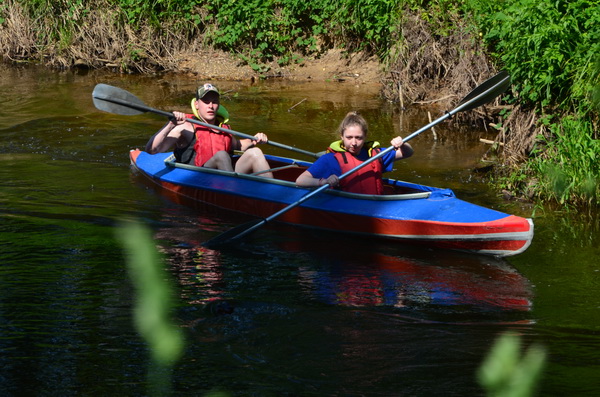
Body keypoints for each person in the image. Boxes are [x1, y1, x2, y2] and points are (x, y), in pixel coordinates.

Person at [145, 83, 273, 177]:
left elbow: (238, 145)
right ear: (196, 104)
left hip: (224, 175)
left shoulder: (223, 128)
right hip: (197, 177)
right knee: (222, 155)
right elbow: (152, 150)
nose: (210, 106)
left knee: (255, 152)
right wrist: (170, 125)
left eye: (214, 102)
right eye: (206, 101)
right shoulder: (185, 127)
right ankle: (232, 191)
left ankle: (273, 192)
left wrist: (254, 140)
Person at [295, 111, 414, 194]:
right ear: (342, 136)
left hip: (374, 204)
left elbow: (407, 153)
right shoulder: (330, 159)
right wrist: (323, 181)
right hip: (347, 205)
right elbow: (300, 180)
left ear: (365, 136)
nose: (354, 143)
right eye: (349, 137)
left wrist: (402, 143)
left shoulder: (375, 154)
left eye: (358, 138)